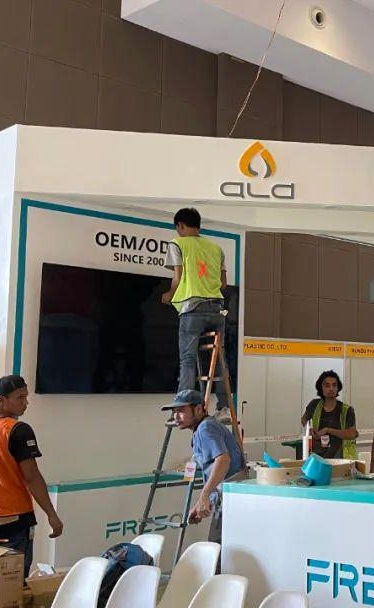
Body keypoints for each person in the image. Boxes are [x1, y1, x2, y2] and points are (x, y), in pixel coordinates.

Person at [0, 376, 63, 577]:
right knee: (12, 584)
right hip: (12, 521)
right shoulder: (18, 430)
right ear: (1, 401)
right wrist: (52, 514)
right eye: (20, 398)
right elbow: (31, 476)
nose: (26, 403)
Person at [161, 208, 230, 418]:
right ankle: (225, 407)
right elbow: (223, 284)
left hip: (193, 309)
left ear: (180, 225)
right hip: (217, 309)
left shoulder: (177, 244)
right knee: (219, 359)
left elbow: (177, 277)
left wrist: (169, 295)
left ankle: (183, 407)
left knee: (188, 359)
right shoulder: (216, 248)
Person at [162, 390, 244, 544]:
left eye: (181, 411)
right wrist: (202, 501)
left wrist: (204, 495)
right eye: (174, 411)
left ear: (198, 409)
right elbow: (212, 467)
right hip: (228, 497)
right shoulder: (202, 429)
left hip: (231, 498)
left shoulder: (205, 428)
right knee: (219, 545)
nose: (176, 416)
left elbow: (223, 460)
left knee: (216, 546)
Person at [301, 370, 359, 459]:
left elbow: (352, 434)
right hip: (317, 457)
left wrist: (328, 430)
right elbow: (304, 420)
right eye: (327, 385)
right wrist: (310, 429)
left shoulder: (347, 410)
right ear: (321, 388)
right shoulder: (314, 405)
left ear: (338, 388)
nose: (331, 388)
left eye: (334, 385)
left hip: (340, 459)